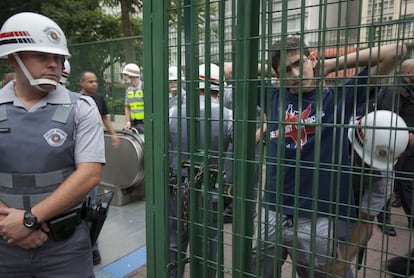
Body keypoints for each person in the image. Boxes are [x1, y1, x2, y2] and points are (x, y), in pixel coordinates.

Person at [252, 36, 406, 277]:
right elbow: (230, 70)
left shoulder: (338, 97)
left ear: (311, 59)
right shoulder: (272, 96)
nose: (295, 73)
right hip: (272, 210)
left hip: (315, 218)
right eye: (286, 70)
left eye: (298, 63)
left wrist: (334, 64)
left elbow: (397, 51)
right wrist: (275, 70)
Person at [0, 12, 105, 277]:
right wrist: (9, 225)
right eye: (43, 56)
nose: (54, 65)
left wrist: (29, 219)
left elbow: (89, 174)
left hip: (65, 246)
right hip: (4, 242)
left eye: (58, 58)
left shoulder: (81, 107)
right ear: (14, 57)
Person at [168, 63, 233, 277]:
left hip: (177, 188)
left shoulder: (172, 113)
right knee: (210, 243)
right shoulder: (228, 117)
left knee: (175, 241)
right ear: (219, 87)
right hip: (212, 189)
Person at [328, 110, 409, 276]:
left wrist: (343, 260)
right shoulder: (333, 131)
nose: (364, 166)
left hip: (350, 205)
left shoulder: (384, 175)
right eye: (361, 160)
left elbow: (366, 221)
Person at [79, 70, 120, 265]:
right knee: (84, 200)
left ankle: (92, 248)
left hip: (93, 155)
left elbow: (105, 117)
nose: (94, 84)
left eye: (96, 81)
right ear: (81, 83)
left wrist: (113, 134)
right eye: (90, 81)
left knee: (92, 201)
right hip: (80, 157)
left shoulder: (99, 99)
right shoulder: (76, 101)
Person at [376, 59, 414, 233]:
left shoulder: (406, 90)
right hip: (394, 145)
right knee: (389, 182)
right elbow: (387, 120)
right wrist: (407, 135)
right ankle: (384, 220)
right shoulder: (396, 91)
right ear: (407, 72)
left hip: (405, 145)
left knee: (399, 182)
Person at [123, 63, 145, 133]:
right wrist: (128, 122)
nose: (124, 77)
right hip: (134, 123)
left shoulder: (144, 87)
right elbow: (127, 107)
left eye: (125, 75)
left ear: (131, 75)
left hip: (144, 123)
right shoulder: (129, 90)